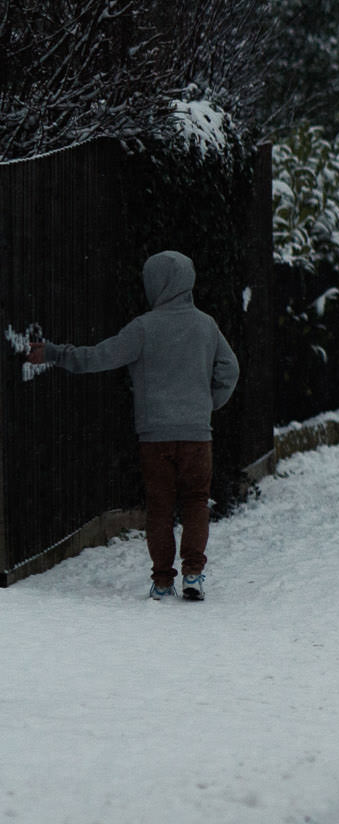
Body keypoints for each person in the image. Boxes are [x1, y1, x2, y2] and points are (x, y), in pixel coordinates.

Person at [29, 251, 240, 601]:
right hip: (197, 435)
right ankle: (193, 575)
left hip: (154, 437)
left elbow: (99, 356)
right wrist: (206, 406)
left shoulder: (143, 328)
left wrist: (53, 353)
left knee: (159, 505)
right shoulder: (207, 325)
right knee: (196, 502)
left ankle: (161, 580)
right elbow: (229, 370)